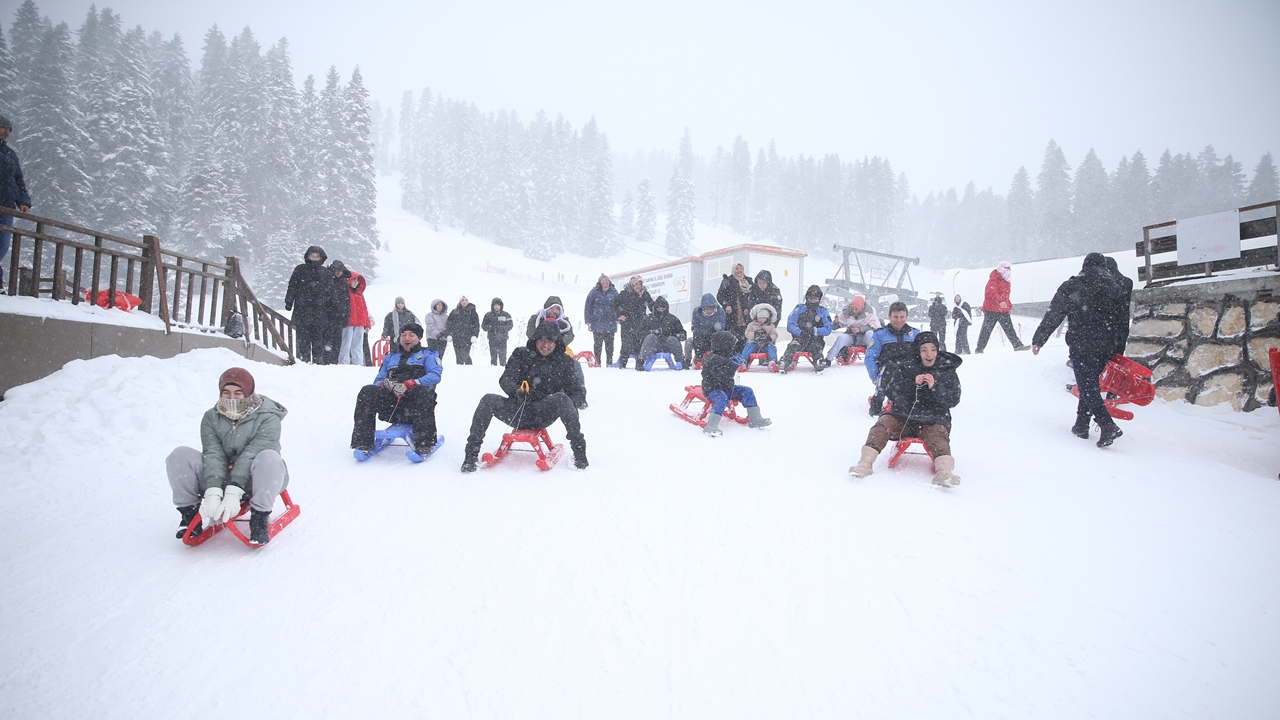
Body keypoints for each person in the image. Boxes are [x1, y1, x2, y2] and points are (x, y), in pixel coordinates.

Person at [166, 367, 289, 545]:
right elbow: (213, 452)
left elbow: (251, 454)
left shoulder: (268, 417)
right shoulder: (211, 417)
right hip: (221, 477)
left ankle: (259, 518)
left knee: (269, 457)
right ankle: (189, 514)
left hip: (257, 480)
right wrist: (214, 490)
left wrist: (233, 492)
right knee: (179, 455)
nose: (231, 398)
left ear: (248, 392)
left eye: (238, 393)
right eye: (226, 392)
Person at [1031, 252, 1131, 448]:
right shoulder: (1115, 288)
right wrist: (1119, 348)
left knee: (1087, 386)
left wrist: (1039, 339)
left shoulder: (1072, 286)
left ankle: (1107, 425)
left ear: (1084, 266)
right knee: (1090, 383)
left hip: (1082, 343)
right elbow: (1122, 321)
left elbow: (1054, 314)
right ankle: (1081, 424)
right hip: (1107, 344)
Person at [461, 321, 588, 472]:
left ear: (556, 343)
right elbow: (505, 379)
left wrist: (568, 404)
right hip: (517, 410)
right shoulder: (521, 354)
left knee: (562, 398)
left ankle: (579, 453)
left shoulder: (565, 362)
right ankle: (471, 455)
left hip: (543, 413)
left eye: (550, 341)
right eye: (542, 340)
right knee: (488, 399)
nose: (545, 344)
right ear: (535, 340)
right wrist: (516, 391)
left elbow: (578, 393)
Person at [849, 331, 962, 487]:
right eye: (924, 350)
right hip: (903, 416)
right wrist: (911, 383)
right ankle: (864, 464)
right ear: (918, 351)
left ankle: (945, 472)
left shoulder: (946, 369)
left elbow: (953, 399)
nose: (929, 354)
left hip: (933, 419)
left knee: (938, 436)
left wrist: (935, 386)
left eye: (933, 349)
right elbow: (891, 391)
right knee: (882, 425)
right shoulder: (906, 365)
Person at [351, 322, 443, 456]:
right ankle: (363, 442)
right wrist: (384, 383)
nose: (407, 338)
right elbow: (377, 380)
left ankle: (425, 443)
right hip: (391, 405)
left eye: (411, 335)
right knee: (367, 391)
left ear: (418, 338)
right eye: (403, 335)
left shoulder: (428, 354)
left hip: (415, 406)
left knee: (421, 391)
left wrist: (413, 383)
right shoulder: (391, 357)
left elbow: (435, 375)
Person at [701, 331, 772, 437]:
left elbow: (727, 376)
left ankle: (755, 418)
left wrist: (735, 361)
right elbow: (723, 376)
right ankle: (711, 425)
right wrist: (732, 365)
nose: (732, 347)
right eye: (731, 345)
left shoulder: (726, 355)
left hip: (727, 388)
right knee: (722, 398)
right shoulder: (712, 359)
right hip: (713, 389)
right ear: (724, 345)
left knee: (747, 391)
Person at [527, 298, 588, 408]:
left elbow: (570, 335)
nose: (554, 311)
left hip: (558, 352)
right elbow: (530, 333)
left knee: (575, 365)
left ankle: (580, 394)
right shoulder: (536, 319)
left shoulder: (564, 322)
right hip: (537, 351)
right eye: (552, 308)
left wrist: (556, 344)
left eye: (557, 309)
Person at [865, 301, 920, 416]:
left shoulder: (914, 334)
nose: (899, 320)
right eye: (895, 317)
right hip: (888, 372)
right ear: (889, 316)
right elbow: (870, 357)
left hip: (909, 370)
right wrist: (875, 377)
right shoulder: (880, 335)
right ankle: (878, 400)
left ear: (906, 317)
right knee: (889, 368)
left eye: (902, 317)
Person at [284, 246, 332, 364]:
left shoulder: (325, 272)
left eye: (317, 256)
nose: (314, 259)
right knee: (303, 338)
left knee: (317, 338)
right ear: (307, 256)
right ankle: (304, 360)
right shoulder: (300, 269)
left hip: (319, 311)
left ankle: (316, 361)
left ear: (321, 257)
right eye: (312, 256)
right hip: (302, 309)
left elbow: (330, 291)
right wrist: (289, 301)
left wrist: (330, 307)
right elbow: (292, 286)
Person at [0, 115, 32, 289]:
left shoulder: (10, 154)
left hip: (6, 208)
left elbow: (18, 180)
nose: (7, 132)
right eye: (4, 128)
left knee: (2, 246)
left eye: (9, 130)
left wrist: (23, 201)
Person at [975, 261, 1029, 352]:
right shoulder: (994, 279)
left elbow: (1006, 296)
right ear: (1001, 268)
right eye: (1007, 268)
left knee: (1009, 328)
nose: (1009, 270)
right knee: (987, 330)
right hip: (991, 309)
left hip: (1002, 309)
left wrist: (1009, 306)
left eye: (1009, 268)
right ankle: (979, 349)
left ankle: (1017, 345)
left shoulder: (1006, 281)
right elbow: (991, 292)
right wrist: (1000, 301)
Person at [780, 285, 833, 373]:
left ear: (819, 299)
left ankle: (819, 361)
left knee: (816, 347)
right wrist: (800, 332)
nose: (813, 300)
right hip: (800, 337)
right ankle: (784, 361)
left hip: (816, 339)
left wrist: (815, 331)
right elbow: (790, 325)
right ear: (807, 298)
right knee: (793, 345)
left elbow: (828, 328)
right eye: (810, 298)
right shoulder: (799, 309)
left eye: (815, 298)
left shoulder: (822, 311)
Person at [612, 275, 653, 368]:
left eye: (640, 284)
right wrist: (619, 314)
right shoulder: (624, 293)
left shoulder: (644, 294)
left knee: (640, 343)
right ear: (632, 284)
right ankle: (623, 364)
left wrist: (654, 315)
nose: (638, 286)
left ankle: (639, 363)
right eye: (636, 284)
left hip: (641, 323)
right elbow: (614, 305)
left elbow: (652, 306)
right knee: (626, 344)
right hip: (627, 323)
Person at [826, 295, 880, 364]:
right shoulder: (846, 313)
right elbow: (836, 326)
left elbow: (876, 327)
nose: (854, 311)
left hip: (865, 338)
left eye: (856, 309)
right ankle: (828, 360)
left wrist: (860, 329)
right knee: (841, 338)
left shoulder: (870, 313)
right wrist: (836, 322)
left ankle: (876, 357)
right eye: (852, 309)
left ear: (862, 308)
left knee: (870, 334)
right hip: (852, 336)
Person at [638, 296, 686, 370]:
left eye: (663, 309)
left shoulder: (672, 319)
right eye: (659, 309)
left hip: (668, 345)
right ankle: (641, 361)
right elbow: (640, 333)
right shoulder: (648, 319)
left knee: (672, 339)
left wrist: (680, 335)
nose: (661, 311)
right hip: (653, 346)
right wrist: (652, 332)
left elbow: (682, 332)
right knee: (650, 337)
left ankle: (680, 361)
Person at [336, 263, 371, 365]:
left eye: (357, 281)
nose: (355, 283)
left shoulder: (360, 295)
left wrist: (367, 323)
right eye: (354, 280)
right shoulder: (345, 293)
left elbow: (364, 310)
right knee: (345, 345)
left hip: (359, 324)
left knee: (357, 346)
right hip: (348, 323)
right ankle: (343, 364)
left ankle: (358, 364)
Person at [584, 275, 619, 367]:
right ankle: (597, 362)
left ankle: (609, 362)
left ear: (609, 283)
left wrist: (618, 318)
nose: (605, 285)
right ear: (600, 283)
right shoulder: (594, 293)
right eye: (603, 283)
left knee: (610, 345)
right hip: (597, 322)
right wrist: (588, 319)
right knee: (597, 345)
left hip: (610, 323)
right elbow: (588, 306)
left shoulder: (614, 293)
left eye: (607, 283)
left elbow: (619, 306)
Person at [716, 262, 753, 350]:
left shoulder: (748, 282)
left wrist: (748, 307)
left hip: (745, 315)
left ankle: (743, 357)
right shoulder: (727, 281)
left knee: (745, 336)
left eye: (741, 269)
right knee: (733, 336)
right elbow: (720, 296)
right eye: (737, 268)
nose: (739, 271)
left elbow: (753, 297)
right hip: (732, 314)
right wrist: (726, 305)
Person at [687, 293, 727, 366]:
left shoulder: (720, 312)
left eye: (710, 309)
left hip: (714, 339)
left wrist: (713, 334)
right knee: (689, 341)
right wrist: (702, 333)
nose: (709, 311)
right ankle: (690, 359)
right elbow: (695, 326)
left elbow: (721, 327)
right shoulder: (697, 312)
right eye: (706, 309)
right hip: (700, 339)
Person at [446, 296, 481, 365]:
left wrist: (474, 335)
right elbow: (449, 324)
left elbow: (476, 324)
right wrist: (450, 334)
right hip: (456, 337)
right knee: (458, 355)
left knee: (465, 354)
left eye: (466, 300)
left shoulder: (472, 312)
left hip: (468, 336)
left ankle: (469, 368)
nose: (464, 302)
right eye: (462, 300)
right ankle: (460, 370)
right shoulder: (454, 312)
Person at [481, 298, 514, 366]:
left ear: (501, 306)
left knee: (503, 355)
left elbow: (510, 325)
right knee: (493, 355)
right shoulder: (488, 315)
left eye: (498, 305)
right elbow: (483, 326)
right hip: (492, 338)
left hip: (502, 338)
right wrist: (490, 328)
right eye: (495, 305)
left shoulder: (506, 314)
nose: (496, 307)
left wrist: (502, 329)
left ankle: (503, 367)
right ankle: (493, 368)